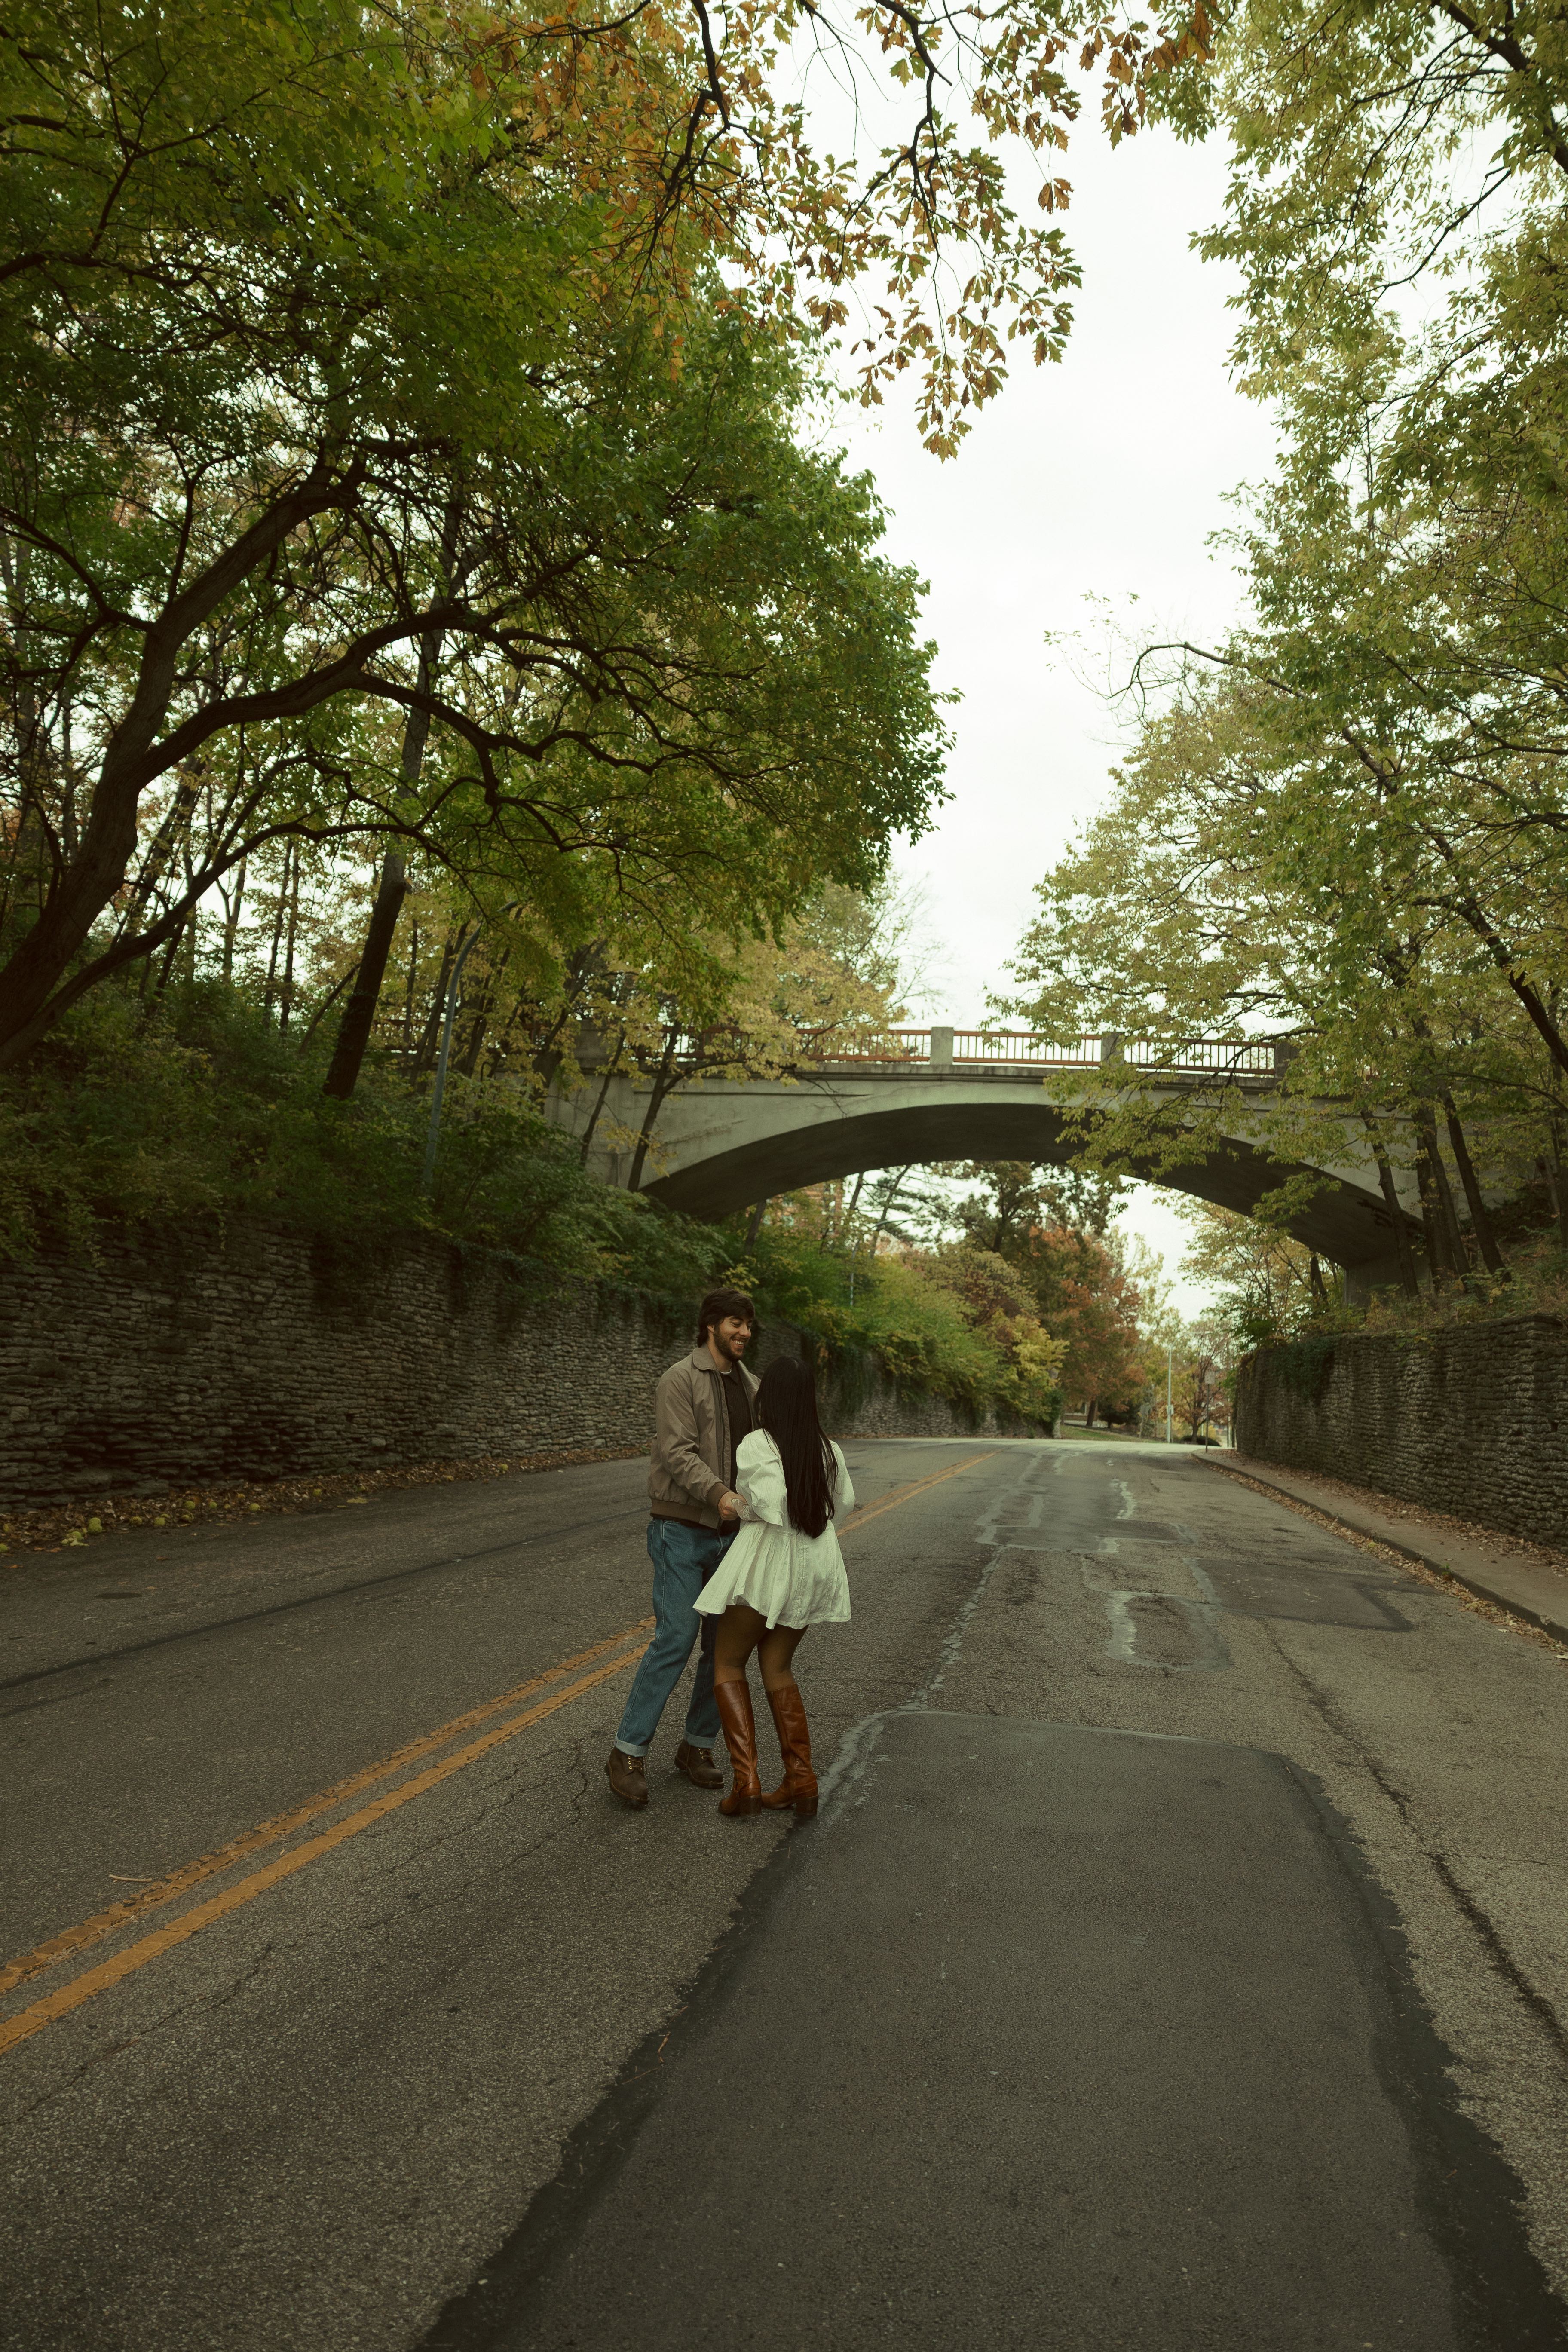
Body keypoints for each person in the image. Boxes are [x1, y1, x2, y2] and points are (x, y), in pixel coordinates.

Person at [605, 1287, 758, 1809]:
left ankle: (696, 1748)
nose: (744, 1333)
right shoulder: (679, 1379)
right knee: (677, 1635)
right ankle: (627, 1753)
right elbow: (676, 1452)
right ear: (711, 1325)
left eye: (748, 1325)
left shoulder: (753, 1387)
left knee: (724, 1648)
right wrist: (722, 1496)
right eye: (735, 1323)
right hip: (681, 1530)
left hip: (736, 1538)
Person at [694, 1354, 854, 1820]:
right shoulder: (828, 1448)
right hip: (816, 1561)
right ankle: (801, 1781)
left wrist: (737, 1508)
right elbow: (842, 1505)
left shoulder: (758, 1444)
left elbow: (767, 1505)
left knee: (727, 1660)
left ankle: (746, 1783)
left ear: (771, 1397)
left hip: (770, 1561)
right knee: (779, 1668)